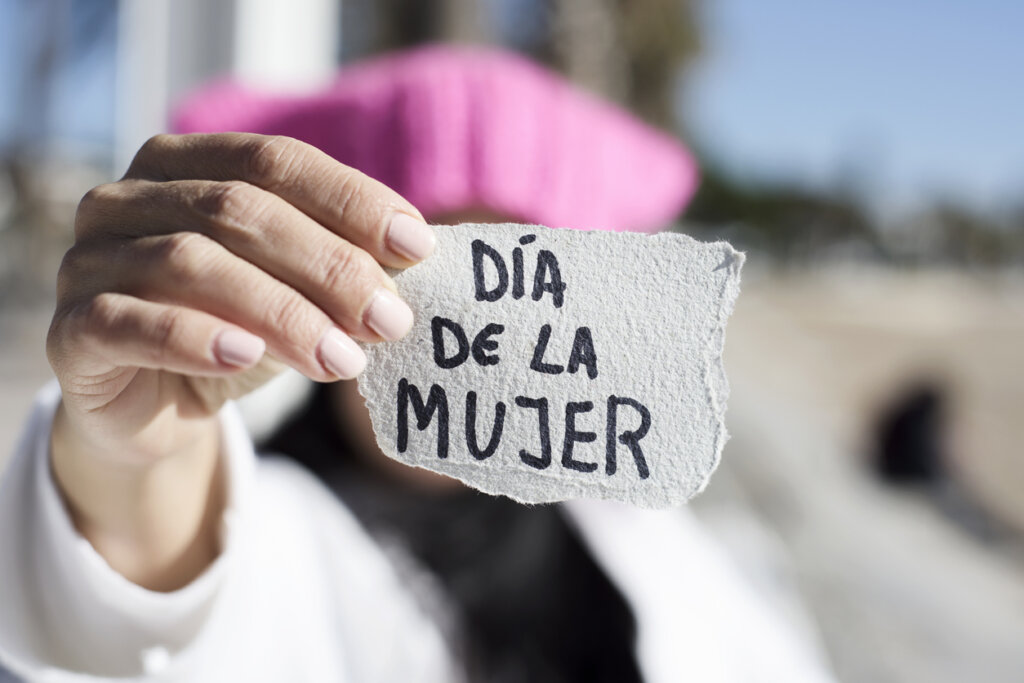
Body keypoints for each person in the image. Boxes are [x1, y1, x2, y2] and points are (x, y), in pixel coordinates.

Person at [0, 46, 833, 682]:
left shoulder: (636, 527)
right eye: (435, 279)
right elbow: (145, 580)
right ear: (326, 277)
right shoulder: (274, 525)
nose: (483, 338)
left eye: (527, 277)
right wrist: (126, 456)